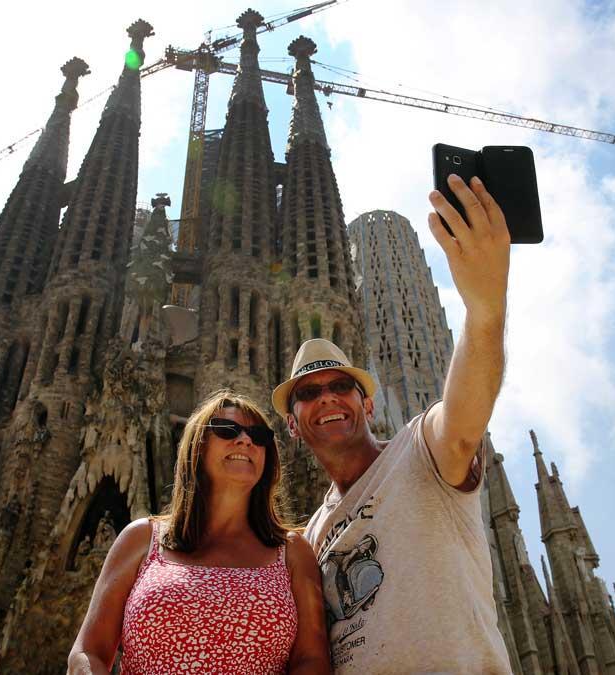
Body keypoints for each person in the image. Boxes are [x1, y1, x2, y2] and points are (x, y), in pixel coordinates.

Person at [271, 174, 513, 673]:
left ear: (369, 405)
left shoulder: (420, 452)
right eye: (310, 394)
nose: (329, 399)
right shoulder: (311, 535)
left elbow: (465, 421)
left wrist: (484, 310)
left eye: (343, 388)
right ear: (292, 427)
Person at [68, 390, 331, 675]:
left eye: (260, 436)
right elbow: (88, 652)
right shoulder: (142, 539)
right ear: (197, 446)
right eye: (227, 429)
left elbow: (312, 660)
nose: (245, 440)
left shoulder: (292, 552)